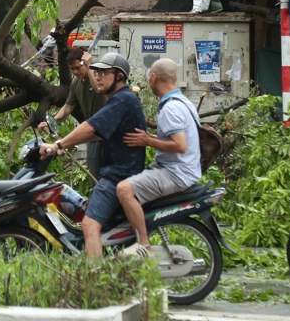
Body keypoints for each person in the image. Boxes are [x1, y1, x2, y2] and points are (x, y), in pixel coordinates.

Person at [42, 52, 146, 258]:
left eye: (104, 73)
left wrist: (58, 144)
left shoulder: (122, 99)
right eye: (96, 72)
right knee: (110, 225)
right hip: (122, 173)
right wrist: (66, 144)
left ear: (119, 76)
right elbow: (95, 132)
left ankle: (93, 281)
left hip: (118, 175)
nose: (98, 76)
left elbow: (90, 127)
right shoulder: (120, 99)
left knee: (89, 224)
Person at [117, 58, 202, 256]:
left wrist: (148, 141)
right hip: (186, 169)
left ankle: (144, 245)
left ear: (153, 78)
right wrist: (150, 137)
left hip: (176, 172)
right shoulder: (183, 102)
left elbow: (180, 145)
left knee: (124, 190)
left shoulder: (170, 108)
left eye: (148, 79)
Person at [40, 48, 108, 179]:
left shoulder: (99, 76)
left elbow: (98, 89)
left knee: (108, 179)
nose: (75, 72)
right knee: (95, 178)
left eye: (78, 67)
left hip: (108, 137)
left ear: (85, 63)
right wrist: (52, 122)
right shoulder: (76, 83)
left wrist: (90, 66)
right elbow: (67, 107)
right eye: (72, 69)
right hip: (93, 137)